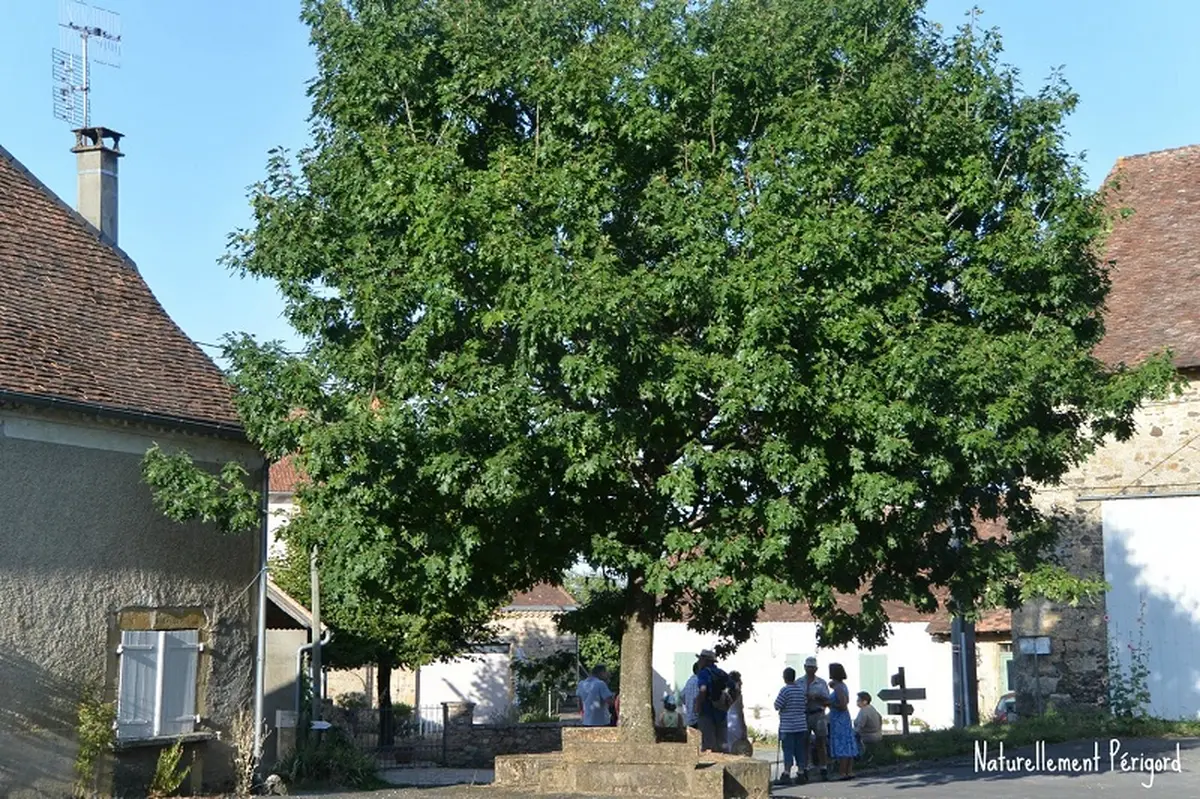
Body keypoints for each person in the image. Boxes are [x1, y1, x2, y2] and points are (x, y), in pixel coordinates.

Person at [773, 667, 809, 786]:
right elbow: (805, 704)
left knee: (788, 749)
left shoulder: (785, 690)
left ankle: (787, 772)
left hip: (788, 725)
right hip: (801, 724)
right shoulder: (801, 690)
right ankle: (801, 772)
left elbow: (777, 705)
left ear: (785, 677)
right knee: (800, 750)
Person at [827, 663, 859, 780]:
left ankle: (842, 772)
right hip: (843, 718)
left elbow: (843, 704)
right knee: (847, 743)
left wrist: (829, 703)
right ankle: (848, 771)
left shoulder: (838, 687)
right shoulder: (842, 685)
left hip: (839, 718)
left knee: (842, 744)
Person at [694, 648, 730, 752]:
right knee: (722, 743)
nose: (699, 662)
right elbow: (734, 687)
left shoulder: (704, 673)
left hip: (707, 711)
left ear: (705, 660)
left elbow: (703, 689)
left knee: (707, 744)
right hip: (722, 711)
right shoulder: (722, 673)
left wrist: (698, 705)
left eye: (700, 659)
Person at [803, 656, 830, 781]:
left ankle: (823, 767)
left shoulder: (822, 683)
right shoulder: (799, 682)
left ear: (816, 669)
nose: (810, 670)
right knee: (805, 742)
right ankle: (807, 767)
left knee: (821, 742)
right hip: (804, 713)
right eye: (808, 667)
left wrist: (817, 697)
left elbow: (827, 701)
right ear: (804, 668)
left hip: (818, 713)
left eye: (812, 668)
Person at [725, 671, 752, 755]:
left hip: (728, 722)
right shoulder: (738, 695)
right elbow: (740, 713)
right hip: (736, 723)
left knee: (731, 747)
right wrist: (744, 727)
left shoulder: (726, 694)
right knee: (739, 748)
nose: (741, 682)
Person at [854, 691, 883, 764]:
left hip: (868, 735)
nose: (857, 702)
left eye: (858, 700)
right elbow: (880, 717)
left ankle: (859, 756)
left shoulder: (864, 711)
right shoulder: (872, 708)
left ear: (865, 701)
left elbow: (860, 725)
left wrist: (855, 732)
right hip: (878, 734)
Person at [682, 662, 702, 731]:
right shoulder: (701, 681)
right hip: (700, 719)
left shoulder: (689, 682)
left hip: (690, 719)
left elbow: (682, 697)